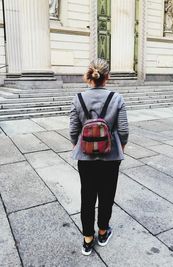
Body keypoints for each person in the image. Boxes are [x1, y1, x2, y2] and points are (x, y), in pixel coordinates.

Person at [69, 58, 129, 256]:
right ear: (107, 77)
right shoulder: (117, 98)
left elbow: (73, 130)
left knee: (87, 196)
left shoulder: (78, 98)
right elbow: (124, 130)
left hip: (85, 158)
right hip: (110, 156)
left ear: (90, 75)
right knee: (107, 195)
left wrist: (79, 146)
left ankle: (87, 239)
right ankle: (103, 232)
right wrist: (121, 147)